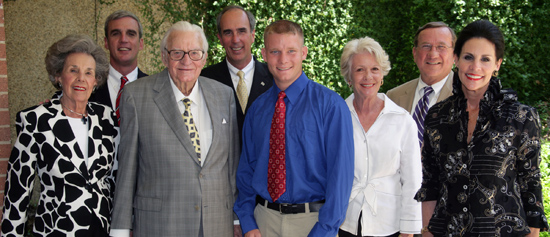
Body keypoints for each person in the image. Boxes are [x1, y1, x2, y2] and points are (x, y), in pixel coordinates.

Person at [415, 20, 549, 237]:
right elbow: (430, 183)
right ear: (456, 59)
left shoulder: (521, 118)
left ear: (498, 64)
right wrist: (427, 231)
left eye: (485, 59)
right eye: (468, 57)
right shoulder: (437, 117)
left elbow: (530, 185)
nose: (475, 67)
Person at [109, 21, 240, 237]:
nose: (186, 61)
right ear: (164, 57)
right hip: (161, 224)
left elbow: (232, 165)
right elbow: (127, 168)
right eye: (177, 52)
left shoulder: (223, 95)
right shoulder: (136, 95)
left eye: (195, 53)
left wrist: (236, 217)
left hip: (217, 223)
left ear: (204, 58)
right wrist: (121, 229)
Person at [234, 19, 354, 237]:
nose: (283, 60)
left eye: (291, 51)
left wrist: (324, 231)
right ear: (263, 54)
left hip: (312, 223)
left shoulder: (331, 106)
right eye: (275, 51)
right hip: (263, 222)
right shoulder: (257, 110)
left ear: (304, 53)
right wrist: (248, 221)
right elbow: (246, 171)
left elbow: (341, 177)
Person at [1, 34, 117, 236]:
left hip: (101, 229)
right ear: (58, 75)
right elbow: (17, 193)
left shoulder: (106, 118)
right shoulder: (36, 121)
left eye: (89, 73)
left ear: (95, 81)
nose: (81, 78)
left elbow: (114, 178)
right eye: (73, 70)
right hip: (56, 229)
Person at [338, 36, 422, 237]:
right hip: (344, 222)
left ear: (382, 75)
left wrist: (409, 231)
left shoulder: (402, 121)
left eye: (374, 69)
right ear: (349, 77)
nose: (368, 76)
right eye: (360, 70)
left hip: (390, 226)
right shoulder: (337, 116)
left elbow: (412, 181)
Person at [200, 5, 273, 135]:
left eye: (241, 31)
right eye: (228, 33)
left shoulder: (274, 77)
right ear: (220, 39)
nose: (235, 39)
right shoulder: (205, 80)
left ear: (252, 35)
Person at [386, 22, 456, 147]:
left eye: (441, 47)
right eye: (426, 46)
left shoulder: (467, 97)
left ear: (454, 55)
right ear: (414, 53)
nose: (433, 54)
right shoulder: (393, 97)